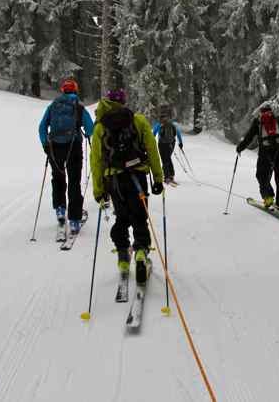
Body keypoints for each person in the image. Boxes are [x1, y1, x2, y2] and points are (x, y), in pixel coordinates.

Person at [90, 88, 164, 283]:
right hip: (137, 176)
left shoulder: (100, 127)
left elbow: (96, 161)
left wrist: (99, 191)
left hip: (114, 180)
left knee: (122, 216)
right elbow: (152, 150)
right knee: (140, 215)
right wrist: (158, 178)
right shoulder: (138, 120)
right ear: (123, 102)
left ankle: (123, 255)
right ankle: (140, 252)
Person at [39, 79, 94, 234]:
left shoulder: (53, 106)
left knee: (57, 178)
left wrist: (45, 144)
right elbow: (90, 129)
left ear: (63, 91)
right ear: (75, 91)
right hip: (74, 147)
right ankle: (75, 220)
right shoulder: (79, 107)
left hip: (55, 148)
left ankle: (60, 210)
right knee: (74, 182)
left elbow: (42, 127)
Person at [236, 102, 279, 208]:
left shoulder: (258, 122)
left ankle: (268, 199)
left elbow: (249, 137)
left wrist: (240, 148)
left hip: (265, 153)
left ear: (260, 113)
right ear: (271, 112)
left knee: (262, 176)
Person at [152, 104, 183, 184]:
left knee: (165, 160)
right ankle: (171, 175)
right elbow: (178, 133)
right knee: (168, 158)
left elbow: (153, 134)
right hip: (171, 143)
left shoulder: (159, 123)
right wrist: (180, 143)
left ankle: (167, 177)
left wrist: (151, 142)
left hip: (162, 144)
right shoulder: (172, 123)